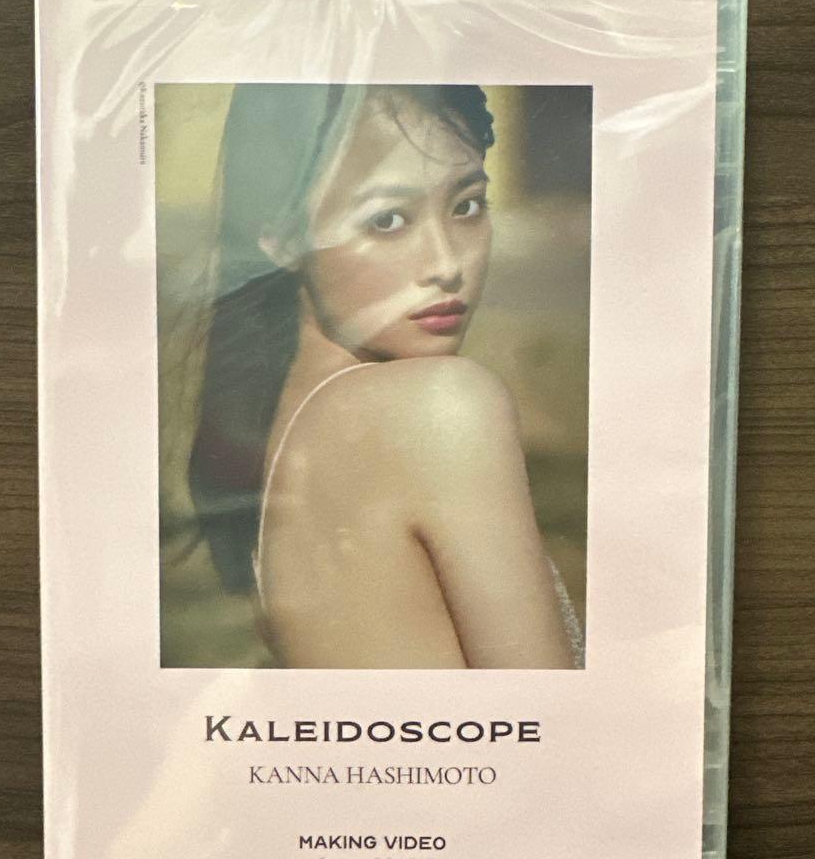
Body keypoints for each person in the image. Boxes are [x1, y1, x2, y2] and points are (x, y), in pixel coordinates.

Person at [189, 83, 582, 668]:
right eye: (388, 219)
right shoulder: (437, 404)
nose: (446, 264)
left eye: (467, 206)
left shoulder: (284, 430)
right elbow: (544, 713)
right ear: (279, 236)